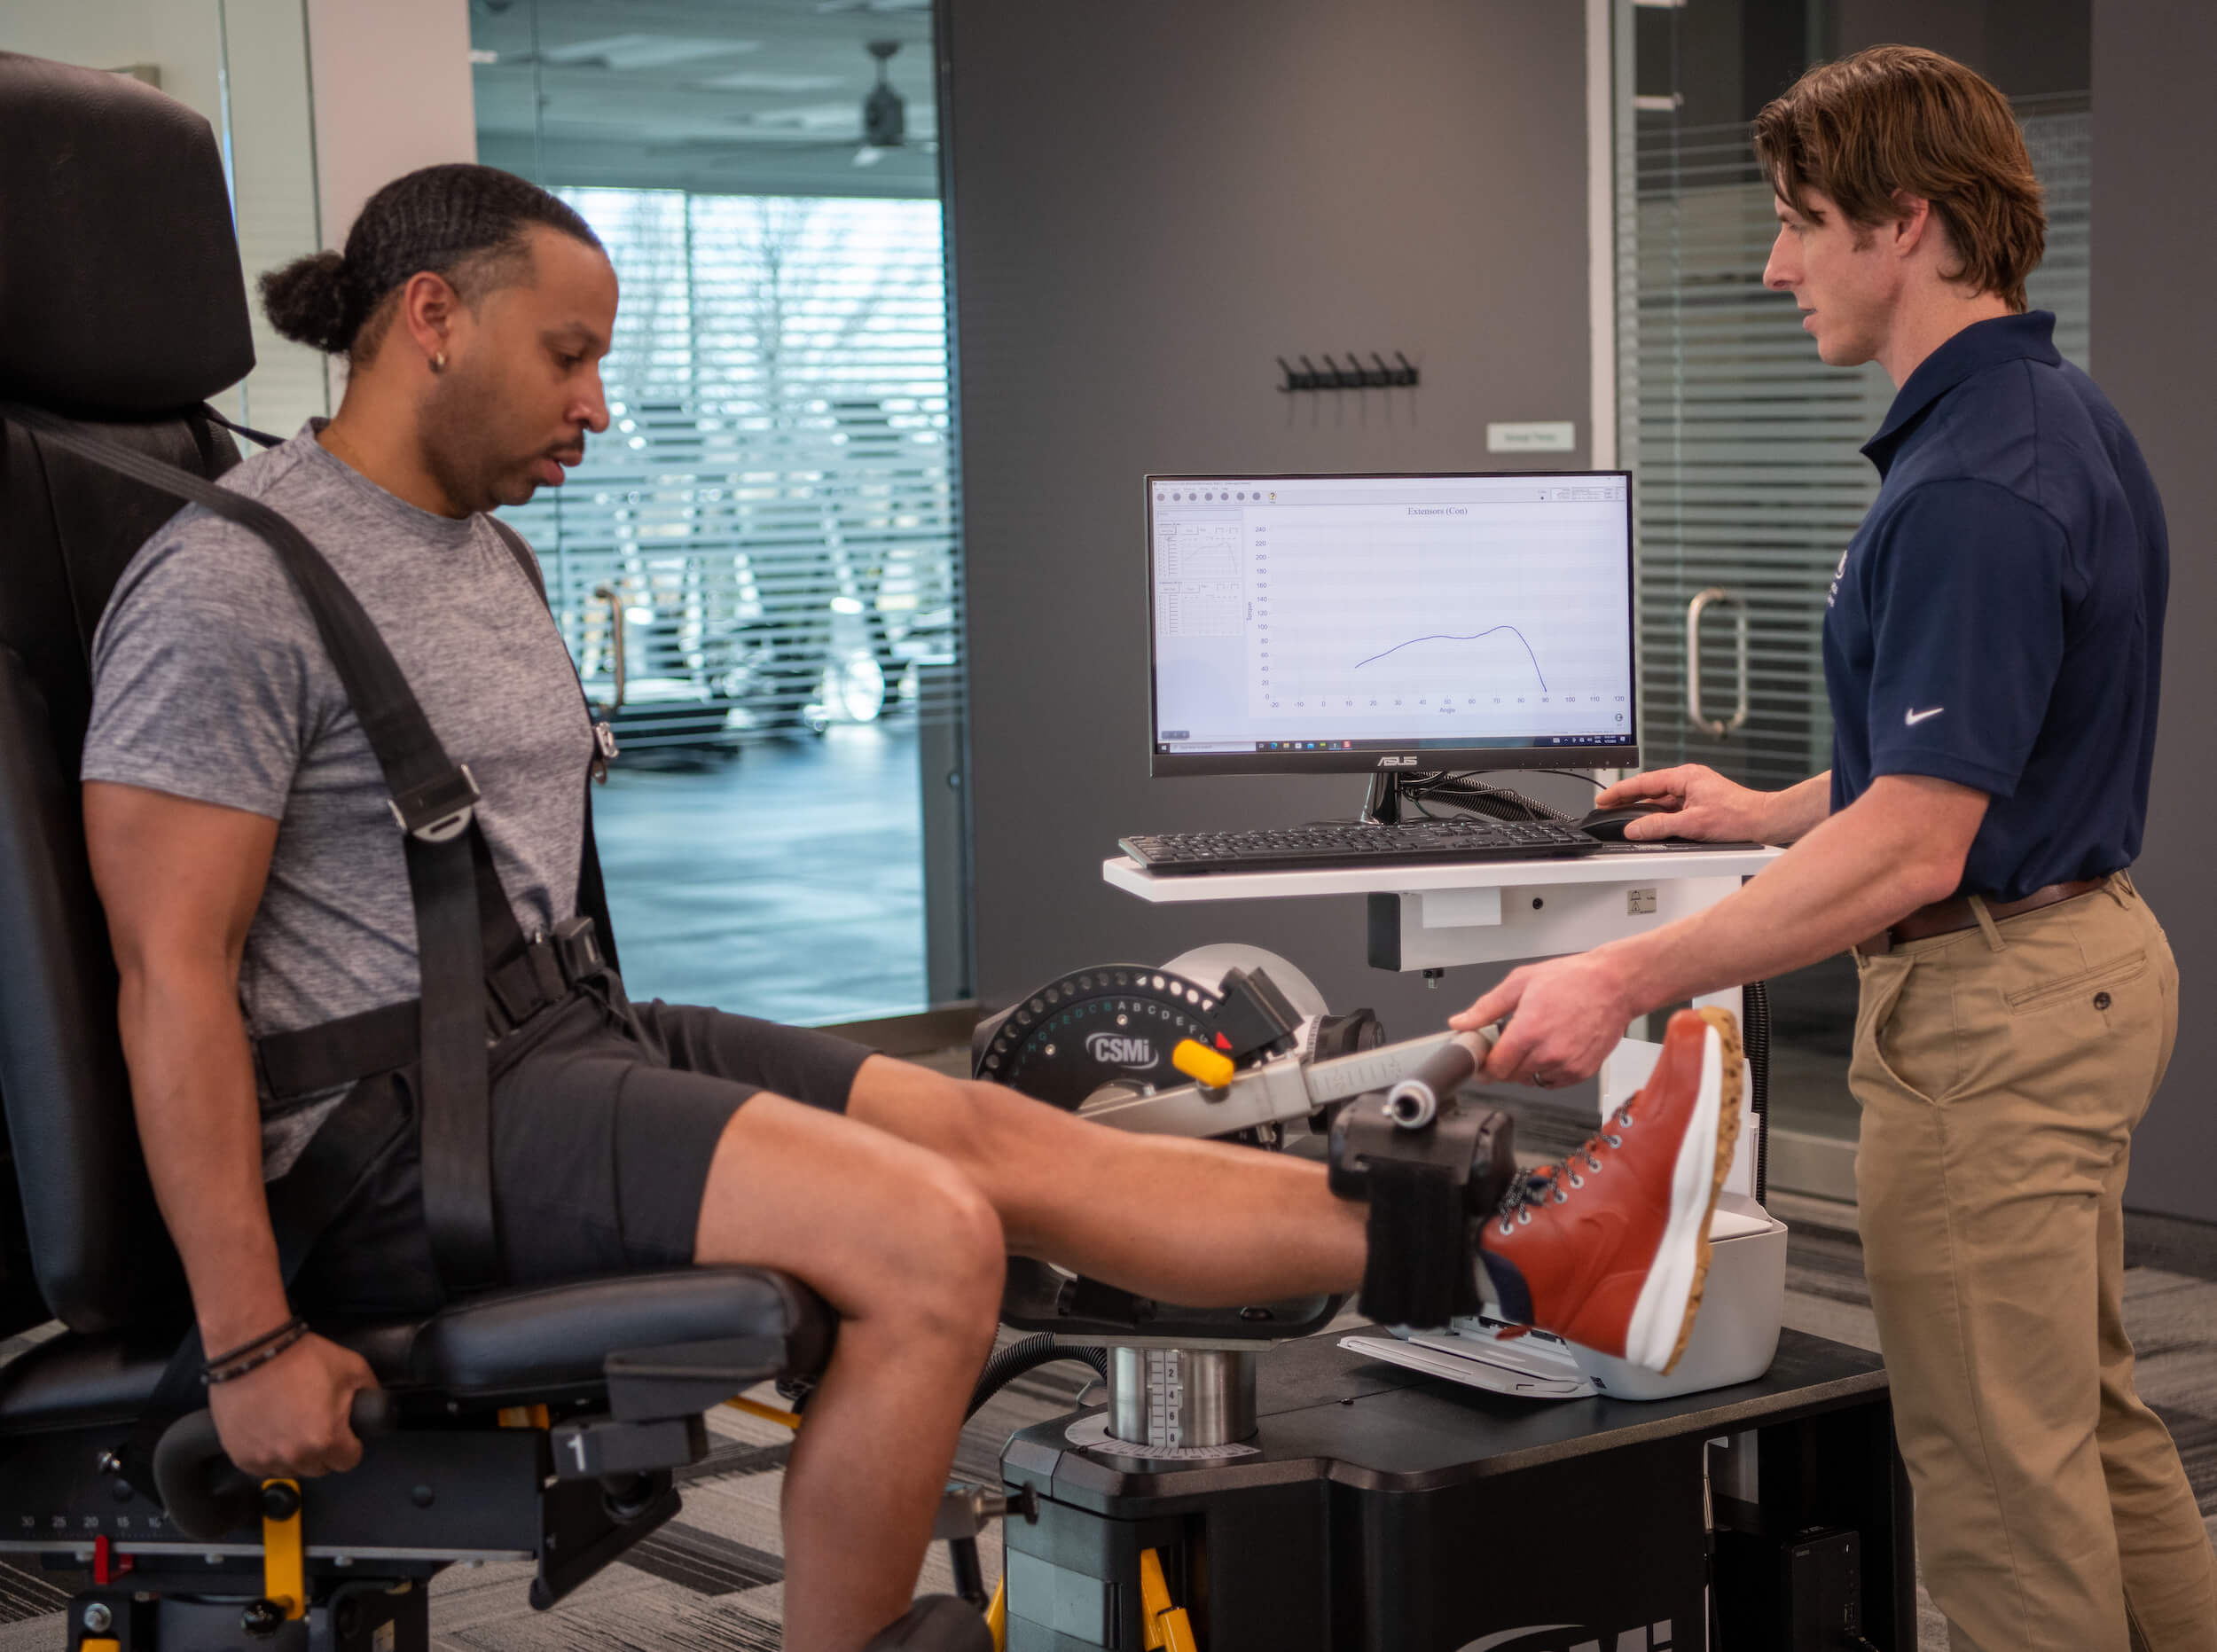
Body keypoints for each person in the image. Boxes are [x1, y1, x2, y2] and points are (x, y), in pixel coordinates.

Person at [81, 164, 1738, 1652]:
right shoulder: (230, 586)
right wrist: (247, 1343)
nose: (598, 404)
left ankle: (1526, 1271)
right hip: (383, 1146)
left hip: (550, 1042)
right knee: (930, 1239)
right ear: (429, 319)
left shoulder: (479, 552)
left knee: (1008, 1144)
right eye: (568, 354)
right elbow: (171, 977)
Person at [1455, 45, 2215, 1652]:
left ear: (1911, 225)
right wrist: (1763, 811)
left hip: (1994, 1013)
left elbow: (1915, 852)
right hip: (2077, 966)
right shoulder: (2045, 417)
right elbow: (1967, 758)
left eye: (1805, 221)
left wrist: (1620, 975)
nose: (1775, 260)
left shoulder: (1975, 487)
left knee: (2000, 1475)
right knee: (2089, 1423)